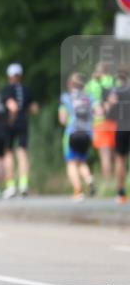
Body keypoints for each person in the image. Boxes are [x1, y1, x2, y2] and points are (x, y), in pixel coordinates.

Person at [1, 63, 39, 198]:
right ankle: (23, 185)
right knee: (22, 153)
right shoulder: (27, 90)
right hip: (23, 122)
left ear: (9, 76)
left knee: (8, 153)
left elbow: (13, 107)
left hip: (11, 124)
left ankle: (11, 186)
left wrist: (10, 120)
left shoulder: (7, 90)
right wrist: (24, 110)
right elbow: (34, 109)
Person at [59, 72, 97, 201]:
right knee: (81, 161)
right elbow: (98, 112)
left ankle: (78, 191)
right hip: (87, 133)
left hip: (72, 133)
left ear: (70, 84)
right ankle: (89, 179)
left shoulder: (66, 97)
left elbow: (63, 119)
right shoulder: (89, 97)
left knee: (71, 163)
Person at [86, 62, 116, 183]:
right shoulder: (114, 81)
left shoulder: (91, 84)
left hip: (99, 122)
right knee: (115, 153)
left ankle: (107, 182)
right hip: (115, 121)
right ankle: (117, 181)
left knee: (104, 154)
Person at [105, 67, 130, 204]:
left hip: (122, 127)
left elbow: (109, 106)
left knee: (120, 160)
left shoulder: (117, 90)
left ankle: (121, 193)